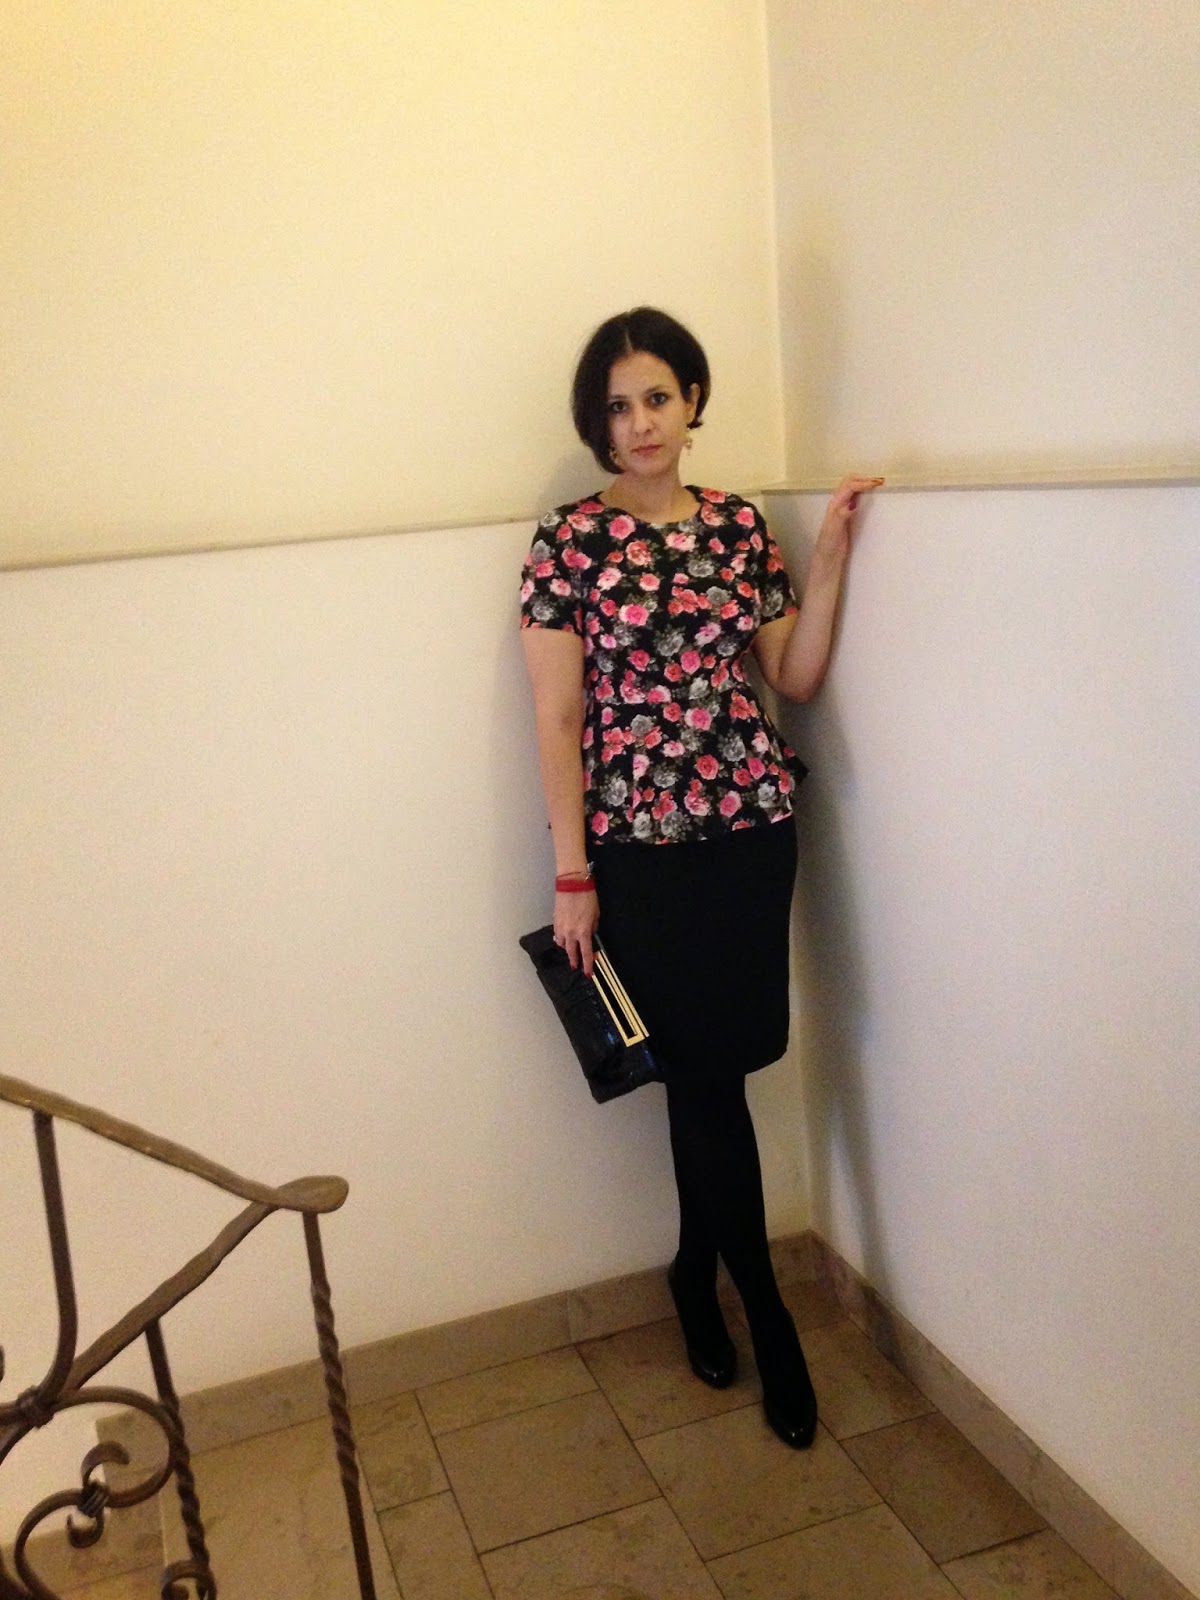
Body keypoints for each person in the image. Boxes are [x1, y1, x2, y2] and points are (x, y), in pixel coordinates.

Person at [519, 306, 881, 1448]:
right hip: (640, 853)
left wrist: (831, 555)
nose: (641, 422)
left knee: (714, 1074)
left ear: (692, 403)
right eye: (618, 406)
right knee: (705, 1080)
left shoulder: (735, 527)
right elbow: (558, 716)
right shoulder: (568, 544)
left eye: (659, 398)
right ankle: (764, 1315)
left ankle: (690, 1270)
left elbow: (794, 676)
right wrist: (572, 873)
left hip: (751, 832)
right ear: (597, 422)